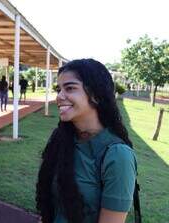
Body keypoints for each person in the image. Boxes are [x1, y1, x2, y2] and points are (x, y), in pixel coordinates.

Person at [36, 59, 137, 223]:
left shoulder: (118, 156)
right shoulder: (61, 139)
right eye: (58, 89)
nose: (59, 97)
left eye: (70, 88)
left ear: (96, 95)